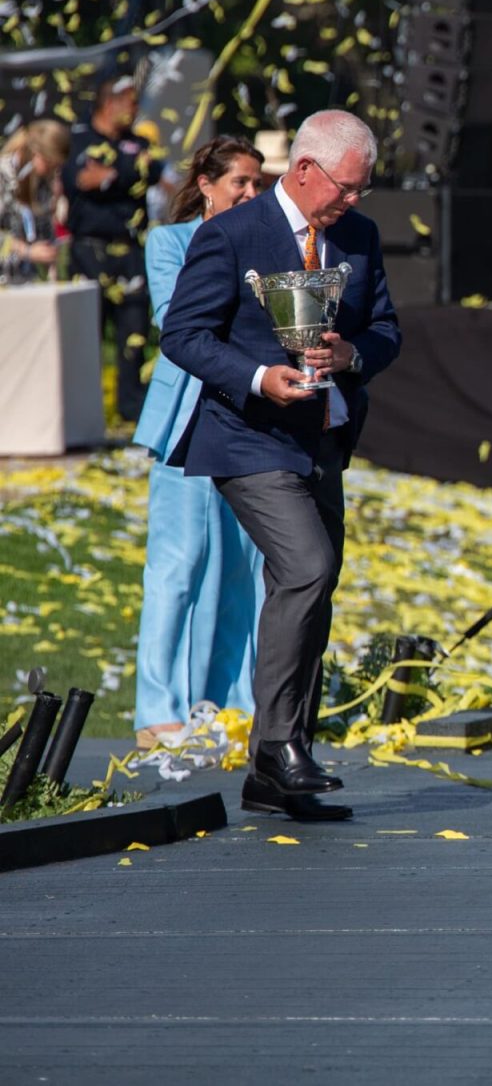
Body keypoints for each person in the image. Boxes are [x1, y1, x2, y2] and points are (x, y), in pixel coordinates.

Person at [159, 110, 401, 823]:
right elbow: (184, 335)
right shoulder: (232, 234)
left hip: (323, 439)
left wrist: (353, 355)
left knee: (312, 593)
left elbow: (385, 329)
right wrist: (260, 377)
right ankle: (277, 747)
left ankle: (277, 773)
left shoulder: (358, 237)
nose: (354, 201)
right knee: (307, 568)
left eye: (362, 189)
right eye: (347, 187)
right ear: (303, 170)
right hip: (248, 437)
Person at [131, 137, 267, 747]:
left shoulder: (266, 245)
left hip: (249, 418)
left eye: (258, 184)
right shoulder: (169, 242)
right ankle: (156, 708)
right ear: (207, 184)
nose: (251, 193)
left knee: (242, 567)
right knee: (180, 564)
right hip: (186, 416)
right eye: (241, 181)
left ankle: (231, 703)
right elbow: (173, 319)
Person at [62, 75, 161, 420]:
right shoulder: (78, 140)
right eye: (131, 103)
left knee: (134, 332)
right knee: (86, 335)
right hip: (90, 251)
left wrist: (111, 174)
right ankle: (83, 413)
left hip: (131, 251)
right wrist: (126, 174)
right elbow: (83, 179)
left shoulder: (138, 143)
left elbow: (161, 176)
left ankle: (131, 410)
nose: (136, 111)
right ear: (111, 103)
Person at [0, 119, 69, 282]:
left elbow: (44, 234)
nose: (53, 172)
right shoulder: (3, 175)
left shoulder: (42, 184)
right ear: (38, 154)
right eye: (51, 165)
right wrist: (26, 251)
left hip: (25, 282)